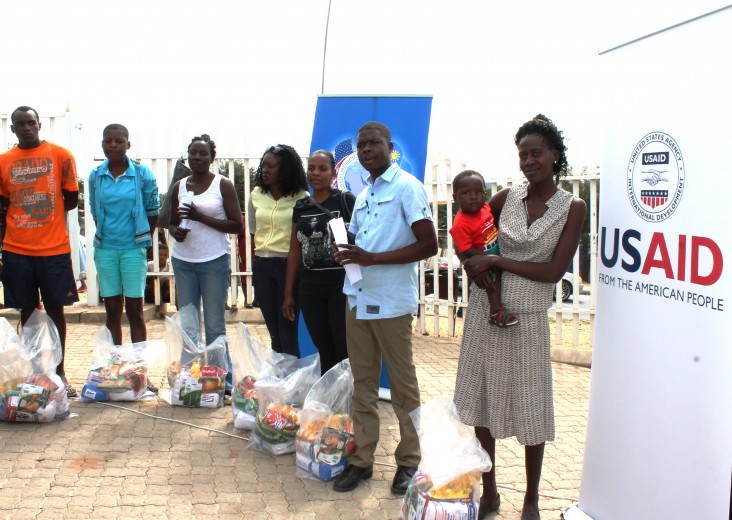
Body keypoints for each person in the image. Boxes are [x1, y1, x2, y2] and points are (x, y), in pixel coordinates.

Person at [453, 115, 586, 520]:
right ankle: (489, 493)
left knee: (531, 409)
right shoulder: (504, 198)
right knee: (482, 408)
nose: (528, 161)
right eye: (522, 155)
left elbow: (553, 271)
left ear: (554, 156)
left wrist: (495, 259)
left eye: (536, 153)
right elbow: (470, 234)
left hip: (526, 319)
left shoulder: (572, 207)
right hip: (485, 315)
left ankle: (531, 499)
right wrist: (472, 262)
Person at [331, 122, 438, 495]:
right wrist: (347, 252)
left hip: (391, 302)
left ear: (390, 147)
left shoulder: (407, 187)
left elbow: (429, 244)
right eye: (360, 145)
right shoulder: (365, 193)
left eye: (373, 143)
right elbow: (361, 242)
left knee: (403, 386)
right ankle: (361, 461)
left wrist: (372, 258)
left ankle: (409, 461)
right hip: (358, 297)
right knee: (362, 384)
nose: (366, 150)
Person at [0, 106, 80, 396]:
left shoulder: (61, 156)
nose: (26, 128)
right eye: (20, 124)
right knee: (28, 312)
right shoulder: (4, 161)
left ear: (39, 125)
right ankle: (35, 373)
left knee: (56, 309)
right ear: (13, 129)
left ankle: (59, 373)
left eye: (31, 123)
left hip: (54, 249)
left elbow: (71, 198)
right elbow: (3, 205)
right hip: (17, 250)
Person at [168, 135, 243, 394]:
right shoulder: (179, 185)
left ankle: (223, 381)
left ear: (212, 157)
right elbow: (170, 221)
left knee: (213, 325)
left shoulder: (223, 185)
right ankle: (189, 381)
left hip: (213, 261)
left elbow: (237, 225)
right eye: (193, 153)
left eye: (203, 153)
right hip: (183, 260)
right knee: (188, 324)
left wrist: (201, 217)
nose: (197, 158)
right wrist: (175, 230)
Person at [282, 150, 356, 375]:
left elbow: (361, 239)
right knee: (323, 345)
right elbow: (294, 251)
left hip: (340, 286)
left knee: (342, 346)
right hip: (310, 287)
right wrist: (288, 294)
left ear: (333, 172)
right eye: (311, 168)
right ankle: (327, 397)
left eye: (323, 168)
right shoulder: (301, 206)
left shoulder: (345, 200)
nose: (316, 173)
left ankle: (344, 398)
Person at [88, 124, 160, 347]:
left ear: (128, 145)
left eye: (119, 141)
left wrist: (144, 241)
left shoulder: (141, 174)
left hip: (133, 249)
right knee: (111, 312)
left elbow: (153, 211)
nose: (113, 145)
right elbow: (94, 210)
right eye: (108, 141)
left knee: (135, 312)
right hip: (105, 249)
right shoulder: (96, 176)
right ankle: (115, 368)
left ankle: (139, 371)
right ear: (102, 145)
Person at [248, 145, 309, 357]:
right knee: (274, 333)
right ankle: (281, 383)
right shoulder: (256, 195)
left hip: (289, 267)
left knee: (287, 334)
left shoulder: (302, 197)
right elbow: (253, 231)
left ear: (285, 170)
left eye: (270, 166)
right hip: (263, 266)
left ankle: (293, 385)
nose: (264, 170)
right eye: (263, 165)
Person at [449, 170, 518, 327]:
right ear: (455, 198)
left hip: (493, 255)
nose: (474, 197)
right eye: (466, 193)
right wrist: (486, 258)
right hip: (480, 258)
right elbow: (465, 249)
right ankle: (496, 311)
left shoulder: (486, 208)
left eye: (479, 192)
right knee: (491, 280)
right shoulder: (460, 224)